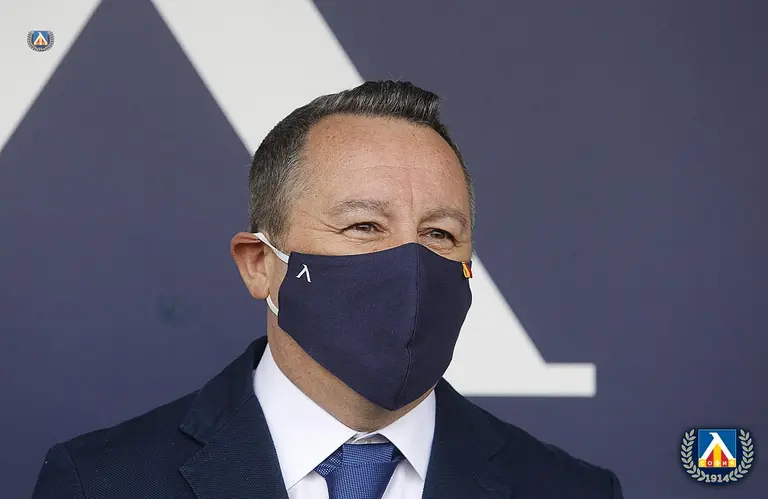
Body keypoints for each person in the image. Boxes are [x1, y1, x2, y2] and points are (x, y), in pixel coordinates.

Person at [32, 81, 623, 499]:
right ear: (260, 264)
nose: (411, 263)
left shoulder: (572, 490)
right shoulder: (100, 483)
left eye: (440, 234)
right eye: (364, 226)